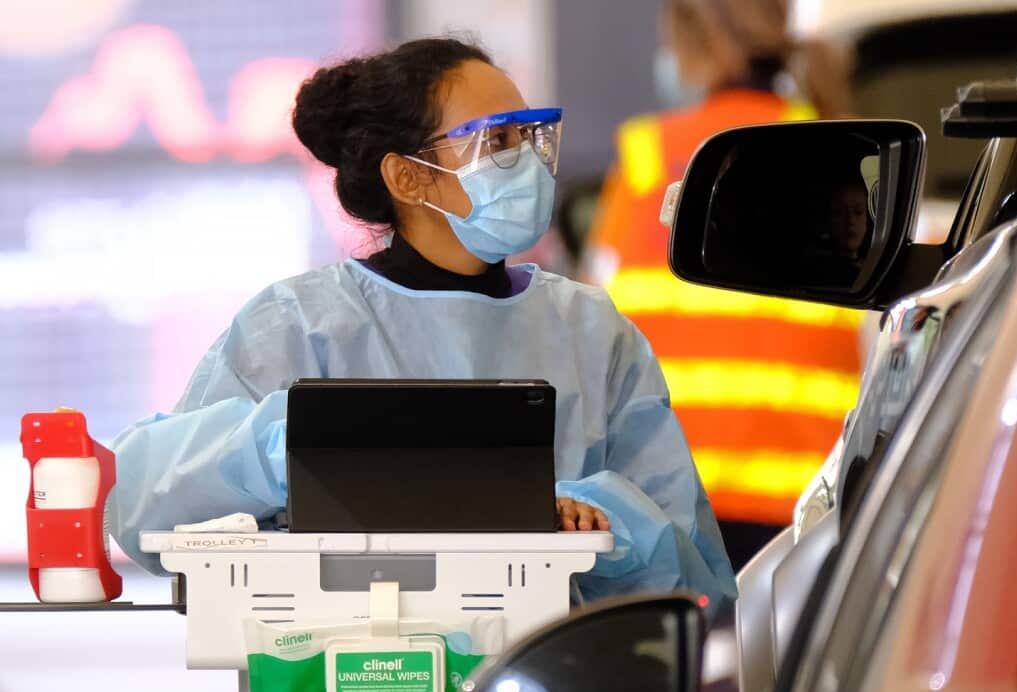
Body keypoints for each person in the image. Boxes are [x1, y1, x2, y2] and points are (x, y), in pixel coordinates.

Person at [105, 38, 737, 612]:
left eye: (531, 137)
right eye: (496, 142)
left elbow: (696, 581)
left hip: (546, 683)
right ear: (406, 176)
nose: (528, 163)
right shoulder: (299, 326)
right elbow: (139, 505)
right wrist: (285, 446)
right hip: (331, 678)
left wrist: (595, 523)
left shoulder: (592, 334)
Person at [587, 0, 866, 567]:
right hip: (805, 504)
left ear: (694, 46)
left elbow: (592, 315)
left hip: (672, 495)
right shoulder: (834, 150)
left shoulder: (648, 156)